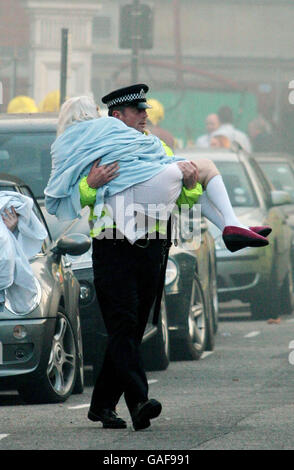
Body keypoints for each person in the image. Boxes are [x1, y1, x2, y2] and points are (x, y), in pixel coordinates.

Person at [45, 90, 271, 432]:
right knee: (122, 325)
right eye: (137, 110)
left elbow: (181, 198)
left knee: (133, 328)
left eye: (144, 110)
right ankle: (139, 402)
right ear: (117, 115)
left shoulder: (155, 147)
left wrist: (193, 184)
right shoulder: (95, 143)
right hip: (113, 246)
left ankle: (103, 404)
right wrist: (91, 185)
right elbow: (74, 194)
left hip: (154, 246)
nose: (144, 115)